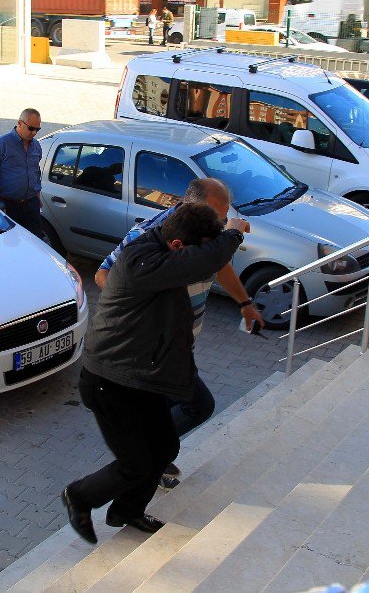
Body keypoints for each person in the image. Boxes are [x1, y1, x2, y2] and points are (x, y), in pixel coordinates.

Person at [62, 204, 250, 544]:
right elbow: (204, 261)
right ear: (178, 246)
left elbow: (204, 259)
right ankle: (79, 496)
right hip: (110, 382)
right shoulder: (141, 261)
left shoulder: (162, 251)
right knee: (136, 462)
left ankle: (126, 511)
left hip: (142, 378)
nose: (204, 259)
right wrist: (233, 233)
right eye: (198, 249)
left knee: (164, 447)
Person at [94, 179, 264, 481]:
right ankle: (142, 460)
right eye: (214, 215)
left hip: (179, 346)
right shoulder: (147, 235)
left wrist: (245, 303)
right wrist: (139, 306)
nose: (219, 223)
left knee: (174, 407)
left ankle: (149, 456)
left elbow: (220, 264)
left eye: (224, 218)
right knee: (197, 405)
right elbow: (103, 274)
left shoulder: (208, 234)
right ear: (187, 205)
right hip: (153, 351)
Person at [0, 109, 44, 237]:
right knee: (11, 243)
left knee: (36, 241)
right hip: (9, 206)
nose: (34, 133)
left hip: (31, 205)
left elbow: (36, 172)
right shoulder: (1, 144)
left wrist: (37, 195)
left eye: (37, 130)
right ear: (20, 123)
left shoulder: (36, 146)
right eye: (31, 128)